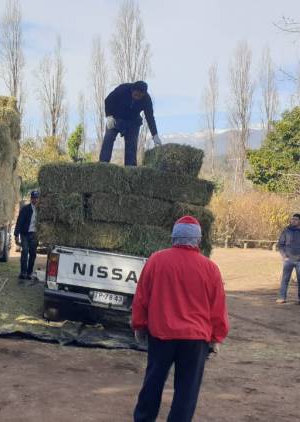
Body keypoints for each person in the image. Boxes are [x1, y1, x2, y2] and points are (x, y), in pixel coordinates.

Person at [132, 216, 229, 422]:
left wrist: (139, 325)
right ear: (198, 240)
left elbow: (142, 297)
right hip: (195, 339)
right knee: (187, 389)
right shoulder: (210, 268)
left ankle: (143, 419)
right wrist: (216, 337)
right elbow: (217, 307)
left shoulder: (156, 260)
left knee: (153, 382)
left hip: (161, 335)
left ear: (174, 237)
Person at [99, 80, 162, 166]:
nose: (137, 97)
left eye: (140, 96)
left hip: (133, 121)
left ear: (144, 94)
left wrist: (155, 134)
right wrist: (109, 115)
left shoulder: (146, 99)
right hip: (116, 117)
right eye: (135, 95)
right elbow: (108, 99)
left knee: (131, 147)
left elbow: (150, 117)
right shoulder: (123, 89)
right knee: (108, 138)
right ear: (132, 90)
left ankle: (130, 169)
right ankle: (103, 164)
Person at [276, 213, 300, 304]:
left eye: (296, 219)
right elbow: (280, 245)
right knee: (285, 279)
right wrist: (284, 256)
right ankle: (282, 297)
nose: (293, 220)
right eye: (292, 219)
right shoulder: (286, 231)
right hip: (288, 260)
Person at [14, 191, 39, 281]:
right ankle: (23, 272)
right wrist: (16, 234)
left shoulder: (40, 211)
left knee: (33, 254)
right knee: (25, 252)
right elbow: (19, 222)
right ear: (31, 199)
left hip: (34, 235)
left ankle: (29, 273)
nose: (35, 200)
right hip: (25, 234)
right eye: (33, 198)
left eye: (36, 198)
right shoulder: (25, 209)